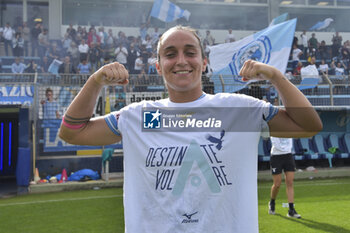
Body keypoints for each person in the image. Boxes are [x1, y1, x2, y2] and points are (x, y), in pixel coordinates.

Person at [59, 26, 322, 233]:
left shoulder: (239, 110)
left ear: (204, 62)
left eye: (190, 52)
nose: (181, 60)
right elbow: (72, 132)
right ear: (159, 65)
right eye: (170, 53)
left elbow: (308, 125)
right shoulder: (143, 116)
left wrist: (276, 76)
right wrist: (95, 82)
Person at [268, 129, 301, 218]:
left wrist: (287, 150)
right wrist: (285, 149)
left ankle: (291, 210)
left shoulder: (288, 125)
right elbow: (276, 144)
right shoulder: (274, 126)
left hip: (288, 155)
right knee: (277, 184)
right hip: (276, 156)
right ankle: (272, 202)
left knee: (290, 182)